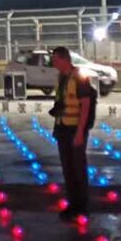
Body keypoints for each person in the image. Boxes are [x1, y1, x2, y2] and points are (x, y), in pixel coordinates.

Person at [48, 46, 97, 220]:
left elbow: (85, 105)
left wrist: (80, 133)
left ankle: (81, 206)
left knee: (78, 168)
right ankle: (72, 204)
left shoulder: (79, 77)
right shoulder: (62, 77)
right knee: (68, 169)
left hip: (75, 129)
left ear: (64, 59)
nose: (53, 63)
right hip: (62, 128)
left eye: (55, 60)